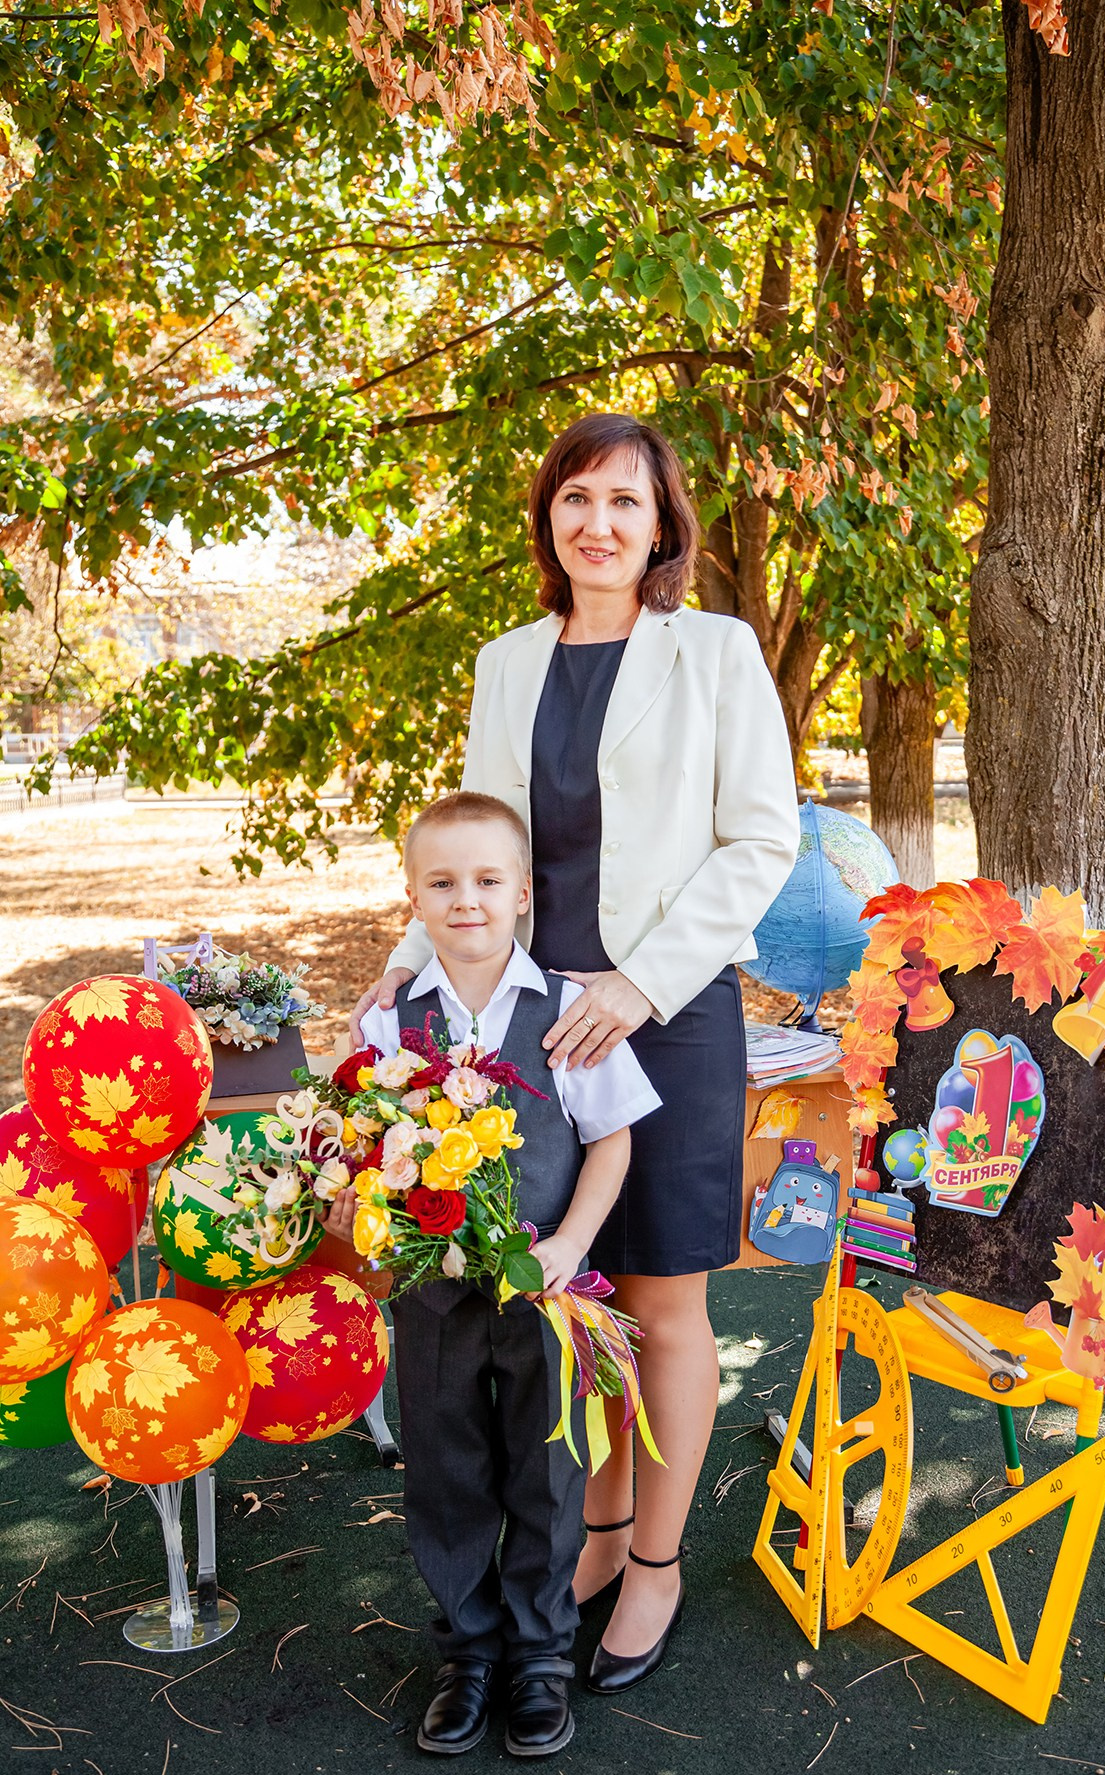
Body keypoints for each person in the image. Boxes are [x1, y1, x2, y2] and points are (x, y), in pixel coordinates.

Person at [349, 412, 800, 1693]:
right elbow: (480, 847)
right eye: (573, 499)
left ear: (662, 526)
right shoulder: (506, 664)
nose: (596, 522)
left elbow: (759, 842)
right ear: (548, 521)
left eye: (623, 500)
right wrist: (401, 969)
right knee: (563, 1301)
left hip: (668, 1012)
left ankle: (651, 1562)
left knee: (660, 1301)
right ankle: (590, 1535)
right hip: (533, 1028)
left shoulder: (713, 652)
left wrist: (640, 985)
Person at [327, 789, 660, 1759]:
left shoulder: (567, 1013)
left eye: (484, 880)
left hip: (545, 1297)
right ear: (413, 896)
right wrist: (361, 1199)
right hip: (433, 1297)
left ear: (521, 892)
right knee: (444, 1467)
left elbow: (611, 1143)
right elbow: (362, 1144)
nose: (463, 899)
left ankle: (539, 1656)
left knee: (546, 1474)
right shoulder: (392, 1024)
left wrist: (567, 1244)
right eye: (441, 881)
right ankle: (467, 1652)